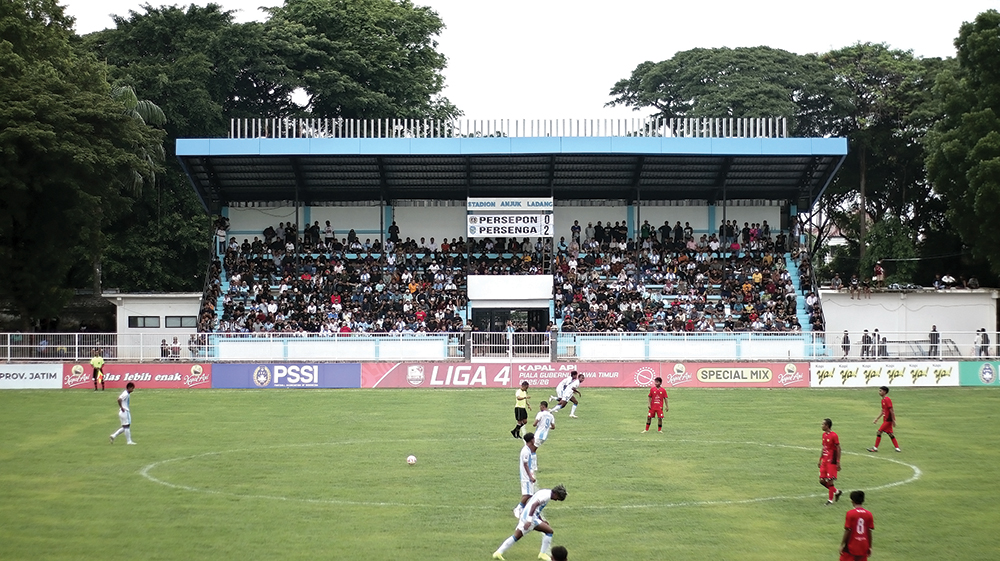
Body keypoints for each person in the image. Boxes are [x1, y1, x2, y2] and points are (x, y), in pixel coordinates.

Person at [494, 484, 568, 561]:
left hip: (525, 516)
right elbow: (534, 505)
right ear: (556, 494)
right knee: (549, 531)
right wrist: (529, 521)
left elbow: (536, 508)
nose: (556, 500)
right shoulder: (546, 496)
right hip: (530, 518)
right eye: (558, 498)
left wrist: (541, 520)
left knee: (516, 536)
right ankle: (542, 554)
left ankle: (498, 553)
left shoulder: (544, 491)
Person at [840, 490, 874, 561]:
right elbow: (869, 531)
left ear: (852, 501)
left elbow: (848, 530)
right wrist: (870, 546)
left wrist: (842, 544)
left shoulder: (850, 513)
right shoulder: (869, 514)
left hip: (851, 545)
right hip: (864, 545)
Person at [513, 432, 538, 519]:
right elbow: (525, 464)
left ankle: (522, 509)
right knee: (528, 494)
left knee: (529, 493)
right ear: (531, 440)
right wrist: (530, 476)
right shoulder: (525, 451)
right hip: (526, 476)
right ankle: (518, 508)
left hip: (527, 475)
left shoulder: (528, 449)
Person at [868, 386, 900, 453]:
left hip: (888, 420)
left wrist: (893, 420)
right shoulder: (883, 400)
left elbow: (891, 410)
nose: (879, 392)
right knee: (890, 434)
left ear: (885, 392)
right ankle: (897, 448)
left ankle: (875, 448)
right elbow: (883, 411)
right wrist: (877, 419)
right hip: (885, 419)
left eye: (881, 391)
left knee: (879, 432)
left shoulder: (887, 399)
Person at [819, 418, 842, 505]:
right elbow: (823, 447)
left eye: (823, 424)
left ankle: (830, 500)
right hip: (824, 460)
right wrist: (820, 459)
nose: (822, 426)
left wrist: (838, 461)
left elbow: (839, 448)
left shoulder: (834, 435)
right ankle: (836, 491)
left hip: (831, 460)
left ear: (827, 425)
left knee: (830, 480)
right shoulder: (824, 435)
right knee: (821, 480)